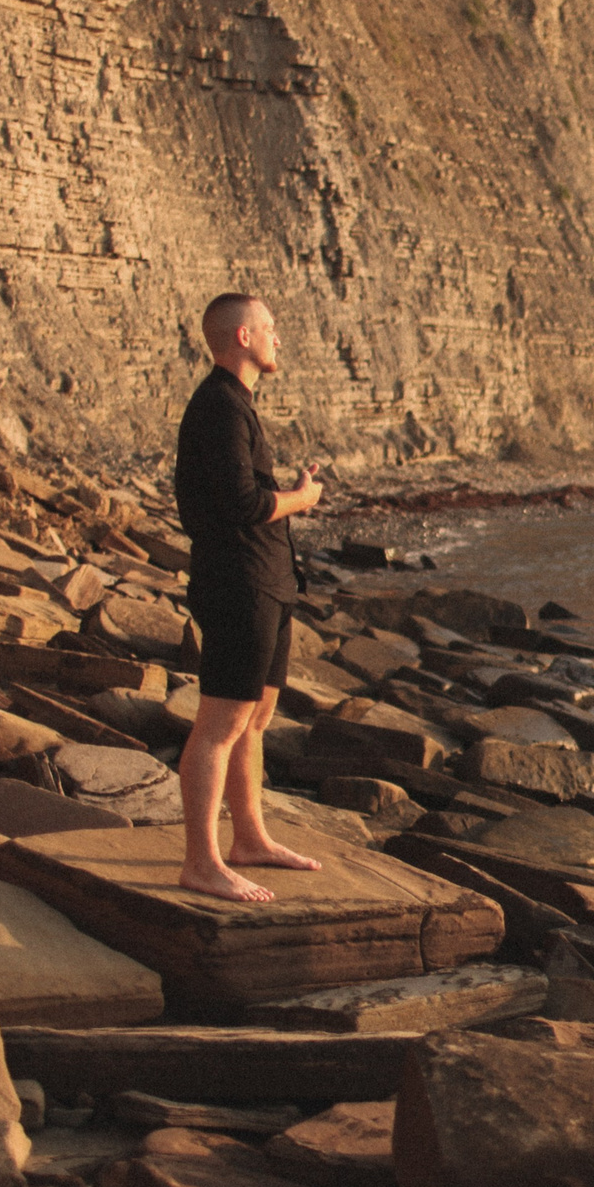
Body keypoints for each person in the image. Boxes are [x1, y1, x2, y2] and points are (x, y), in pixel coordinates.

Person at [172, 293, 327, 902]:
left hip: (265, 581)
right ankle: (201, 862)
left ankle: (251, 840)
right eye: (269, 328)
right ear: (241, 337)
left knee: (256, 719)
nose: (277, 339)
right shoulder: (218, 407)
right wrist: (302, 499)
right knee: (221, 722)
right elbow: (244, 505)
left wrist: (291, 493)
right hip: (237, 584)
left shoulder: (236, 404)